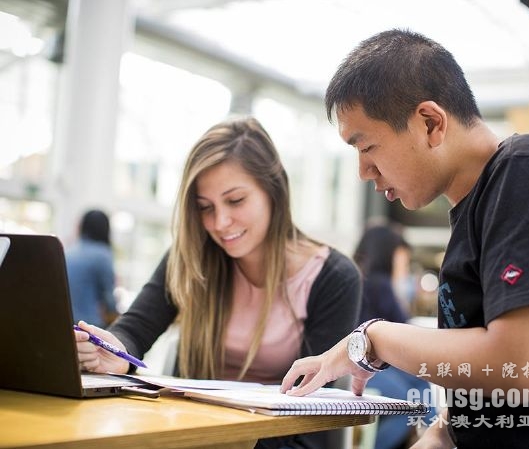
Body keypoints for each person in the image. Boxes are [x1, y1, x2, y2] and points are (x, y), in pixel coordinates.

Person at [280, 29, 529, 449]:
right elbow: (471, 412)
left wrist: (375, 338)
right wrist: (441, 432)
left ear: (430, 123)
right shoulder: (476, 211)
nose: (363, 172)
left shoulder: (528, 169)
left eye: (367, 147)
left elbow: (523, 366)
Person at [74, 116, 362, 449]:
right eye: (205, 207)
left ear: (274, 190)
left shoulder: (333, 278)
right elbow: (135, 330)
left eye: (235, 200)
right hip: (189, 437)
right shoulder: (190, 256)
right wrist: (117, 351)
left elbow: (312, 419)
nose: (220, 223)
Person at [353, 223, 435, 449]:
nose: (405, 266)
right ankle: (432, 437)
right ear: (389, 255)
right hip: (366, 368)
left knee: (420, 387)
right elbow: (403, 328)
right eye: (403, 260)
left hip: (362, 365)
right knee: (408, 405)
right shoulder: (380, 285)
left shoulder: (358, 279)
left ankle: (430, 435)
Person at [65, 209, 119, 328]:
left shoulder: (69, 251)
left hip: (66, 321)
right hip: (89, 324)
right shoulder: (102, 254)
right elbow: (108, 295)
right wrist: (115, 316)